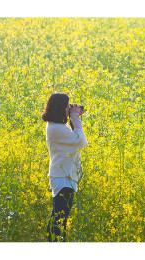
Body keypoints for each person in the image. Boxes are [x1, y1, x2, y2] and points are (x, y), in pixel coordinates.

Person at [41, 92, 88, 242]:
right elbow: (81, 141)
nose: (69, 108)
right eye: (68, 106)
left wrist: (74, 118)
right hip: (62, 177)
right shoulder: (55, 128)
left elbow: (76, 137)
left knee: (59, 216)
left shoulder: (59, 126)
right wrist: (74, 116)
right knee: (60, 218)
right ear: (60, 107)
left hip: (64, 175)